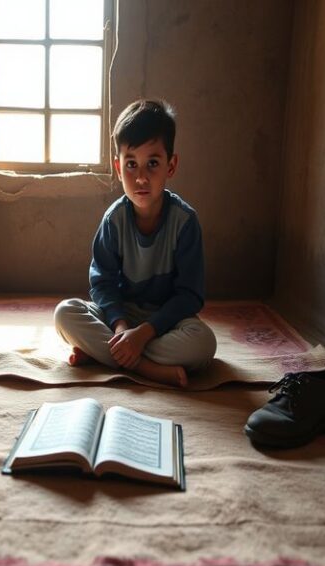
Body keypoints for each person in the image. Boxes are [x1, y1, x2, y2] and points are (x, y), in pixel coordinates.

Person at [54, 99, 216, 387]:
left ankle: (106, 353)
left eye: (152, 163)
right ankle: (145, 367)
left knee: (204, 345)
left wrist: (142, 335)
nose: (141, 177)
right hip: (122, 317)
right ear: (118, 167)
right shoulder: (114, 220)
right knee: (65, 313)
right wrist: (121, 327)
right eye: (131, 164)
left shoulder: (185, 222)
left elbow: (190, 295)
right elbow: (102, 283)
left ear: (171, 165)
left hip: (164, 322)